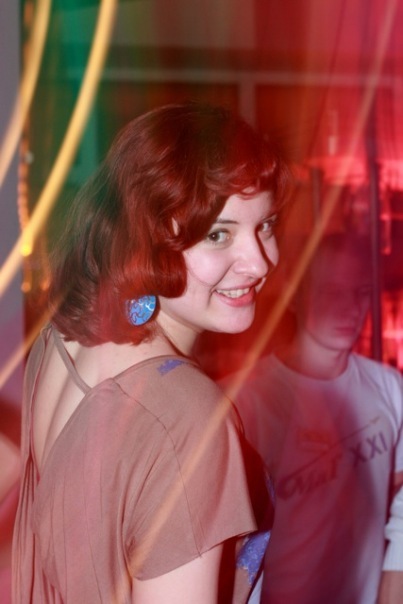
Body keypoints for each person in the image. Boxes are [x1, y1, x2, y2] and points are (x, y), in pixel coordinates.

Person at [11, 101, 290, 603]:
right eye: (218, 234)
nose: (259, 261)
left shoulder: (66, 334)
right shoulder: (186, 417)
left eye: (265, 224)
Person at [232, 233, 403, 604]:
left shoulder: (389, 387)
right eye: (331, 292)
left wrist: (395, 575)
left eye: (360, 293)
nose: (349, 308)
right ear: (296, 295)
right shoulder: (246, 402)